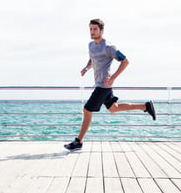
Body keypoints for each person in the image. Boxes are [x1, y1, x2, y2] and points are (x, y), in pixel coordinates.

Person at [64, 19, 156, 151]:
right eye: (90, 29)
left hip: (104, 85)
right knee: (113, 108)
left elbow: (125, 61)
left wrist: (113, 78)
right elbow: (92, 59)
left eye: (95, 29)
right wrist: (86, 68)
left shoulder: (109, 47)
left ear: (102, 30)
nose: (92, 32)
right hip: (100, 84)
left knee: (87, 110)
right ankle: (145, 106)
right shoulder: (91, 45)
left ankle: (79, 141)